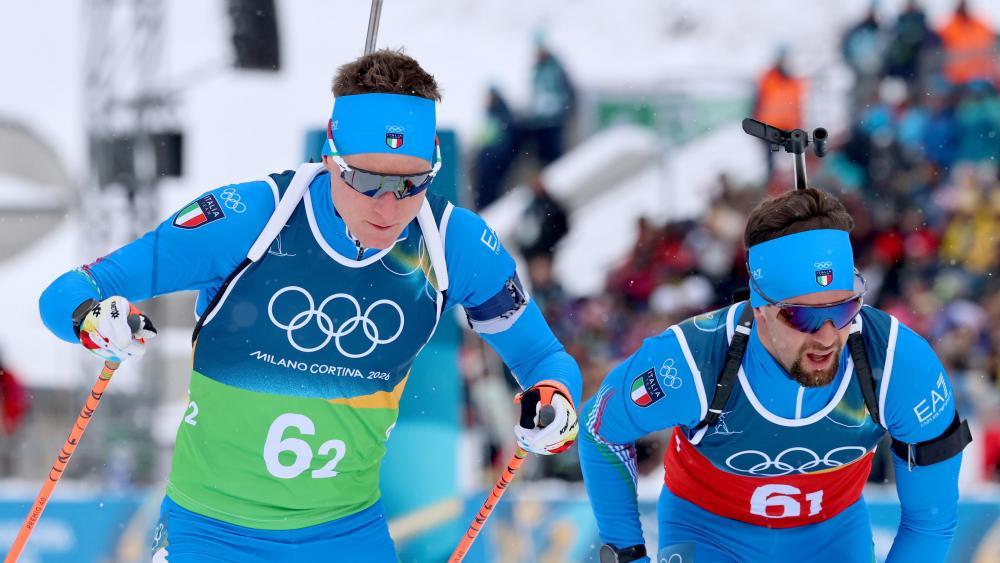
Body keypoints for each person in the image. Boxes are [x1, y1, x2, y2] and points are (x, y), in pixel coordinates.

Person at [38, 50, 582, 562]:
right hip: (209, 533)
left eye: (412, 182)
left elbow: (544, 360)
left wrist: (555, 402)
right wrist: (92, 321)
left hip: (345, 536)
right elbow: (68, 290)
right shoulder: (253, 218)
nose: (389, 207)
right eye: (367, 180)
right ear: (330, 155)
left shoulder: (452, 246)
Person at [579, 188, 971, 562]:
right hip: (709, 535)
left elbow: (931, 523)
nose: (827, 336)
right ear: (760, 305)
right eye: (803, 315)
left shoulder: (898, 364)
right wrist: (627, 553)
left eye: (843, 310)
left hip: (831, 540)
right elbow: (601, 429)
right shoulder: (692, 360)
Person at [751, 49, 805, 183]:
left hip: (787, 127)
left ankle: (782, 185)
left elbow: (798, 107)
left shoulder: (794, 82)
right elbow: (757, 101)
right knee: (771, 162)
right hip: (769, 127)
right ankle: (772, 186)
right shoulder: (768, 79)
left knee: (786, 161)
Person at [473, 86, 518, 209]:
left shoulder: (500, 113)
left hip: (495, 154)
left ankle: (487, 204)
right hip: (490, 153)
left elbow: (501, 135)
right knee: (485, 182)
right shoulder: (493, 113)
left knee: (490, 183)